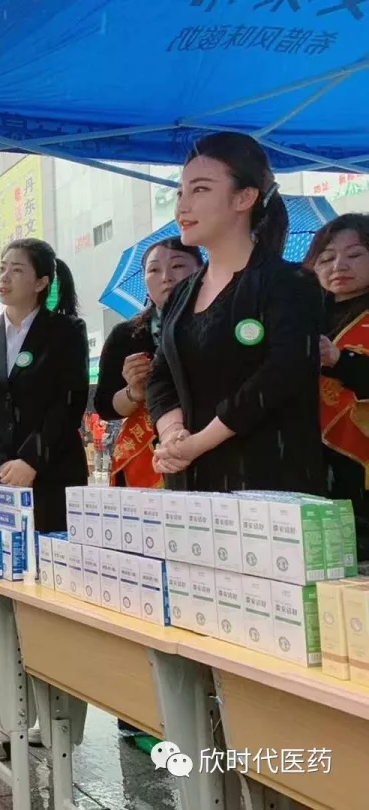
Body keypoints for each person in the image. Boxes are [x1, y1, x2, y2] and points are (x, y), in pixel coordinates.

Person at [147, 132, 324, 493]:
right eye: (180, 193)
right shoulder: (181, 293)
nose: (182, 207)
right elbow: (160, 377)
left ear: (244, 197)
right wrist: (173, 434)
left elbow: (280, 376)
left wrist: (199, 443)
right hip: (190, 485)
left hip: (268, 486)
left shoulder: (289, 283)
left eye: (200, 189)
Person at [0, 238, 89, 533]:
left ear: (41, 282)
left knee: (48, 558)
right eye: (2, 268)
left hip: (50, 475)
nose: (4, 277)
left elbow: (69, 402)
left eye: (16, 270)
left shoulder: (66, 332)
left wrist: (31, 461)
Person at [94, 238, 203, 488]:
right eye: (154, 270)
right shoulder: (126, 336)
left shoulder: (220, 321)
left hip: (209, 445)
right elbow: (105, 406)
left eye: (178, 266)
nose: (166, 277)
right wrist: (133, 392)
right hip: (147, 459)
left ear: (202, 271)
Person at [305, 214, 369, 562]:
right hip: (313, 459)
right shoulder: (302, 314)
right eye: (326, 258)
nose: (339, 266)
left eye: (355, 254)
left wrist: (341, 361)